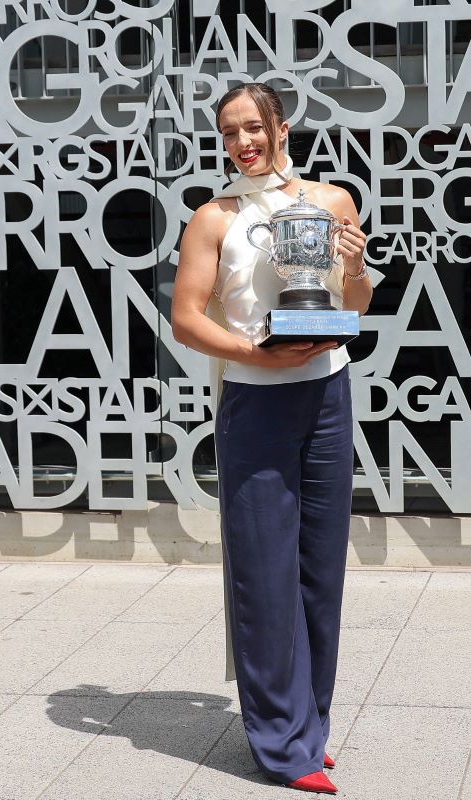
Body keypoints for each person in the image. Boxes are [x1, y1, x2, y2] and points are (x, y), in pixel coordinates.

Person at [171, 82, 372, 795]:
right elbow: (186, 319)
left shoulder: (333, 201)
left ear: (282, 126)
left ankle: (308, 730)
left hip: (327, 393)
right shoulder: (212, 218)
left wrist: (352, 267)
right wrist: (253, 353)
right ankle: (280, 747)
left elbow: (355, 302)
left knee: (321, 570)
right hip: (255, 405)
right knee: (264, 576)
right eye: (229, 133)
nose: (242, 143)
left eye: (253, 127)